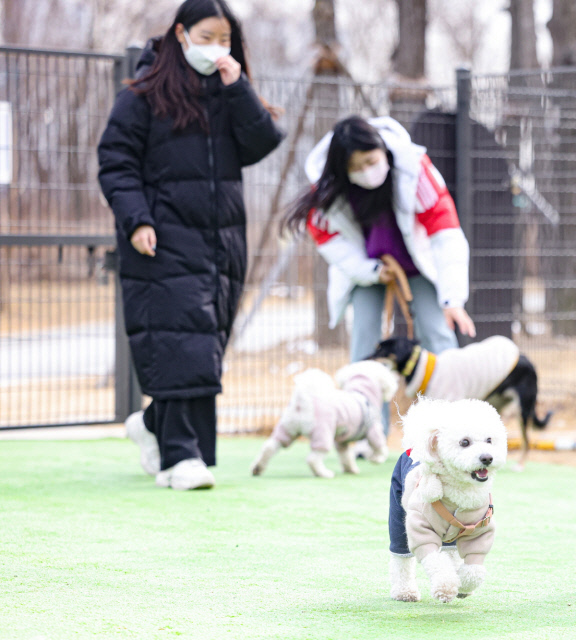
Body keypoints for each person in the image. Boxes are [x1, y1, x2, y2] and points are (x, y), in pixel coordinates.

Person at [98, 0, 284, 490]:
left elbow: (263, 142)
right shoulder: (143, 96)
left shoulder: (227, 94)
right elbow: (115, 160)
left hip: (222, 241)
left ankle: (154, 426)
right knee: (182, 343)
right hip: (161, 237)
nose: (215, 48)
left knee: (206, 348)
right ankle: (181, 458)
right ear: (180, 34)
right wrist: (136, 219)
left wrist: (237, 86)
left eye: (224, 39)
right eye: (206, 37)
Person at [285, 116, 476, 431]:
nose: (366, 171)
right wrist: (371, 271)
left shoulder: (415, 168)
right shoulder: (328, 188)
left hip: (420, 266)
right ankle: (364, 429)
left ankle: (458, 430)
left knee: (437, 333)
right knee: (364, 343)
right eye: (356, 167)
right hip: (367, 270)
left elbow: (445, 230)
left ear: (383, 150)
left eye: (371, 161)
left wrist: (453, 297)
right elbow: (328, 240)